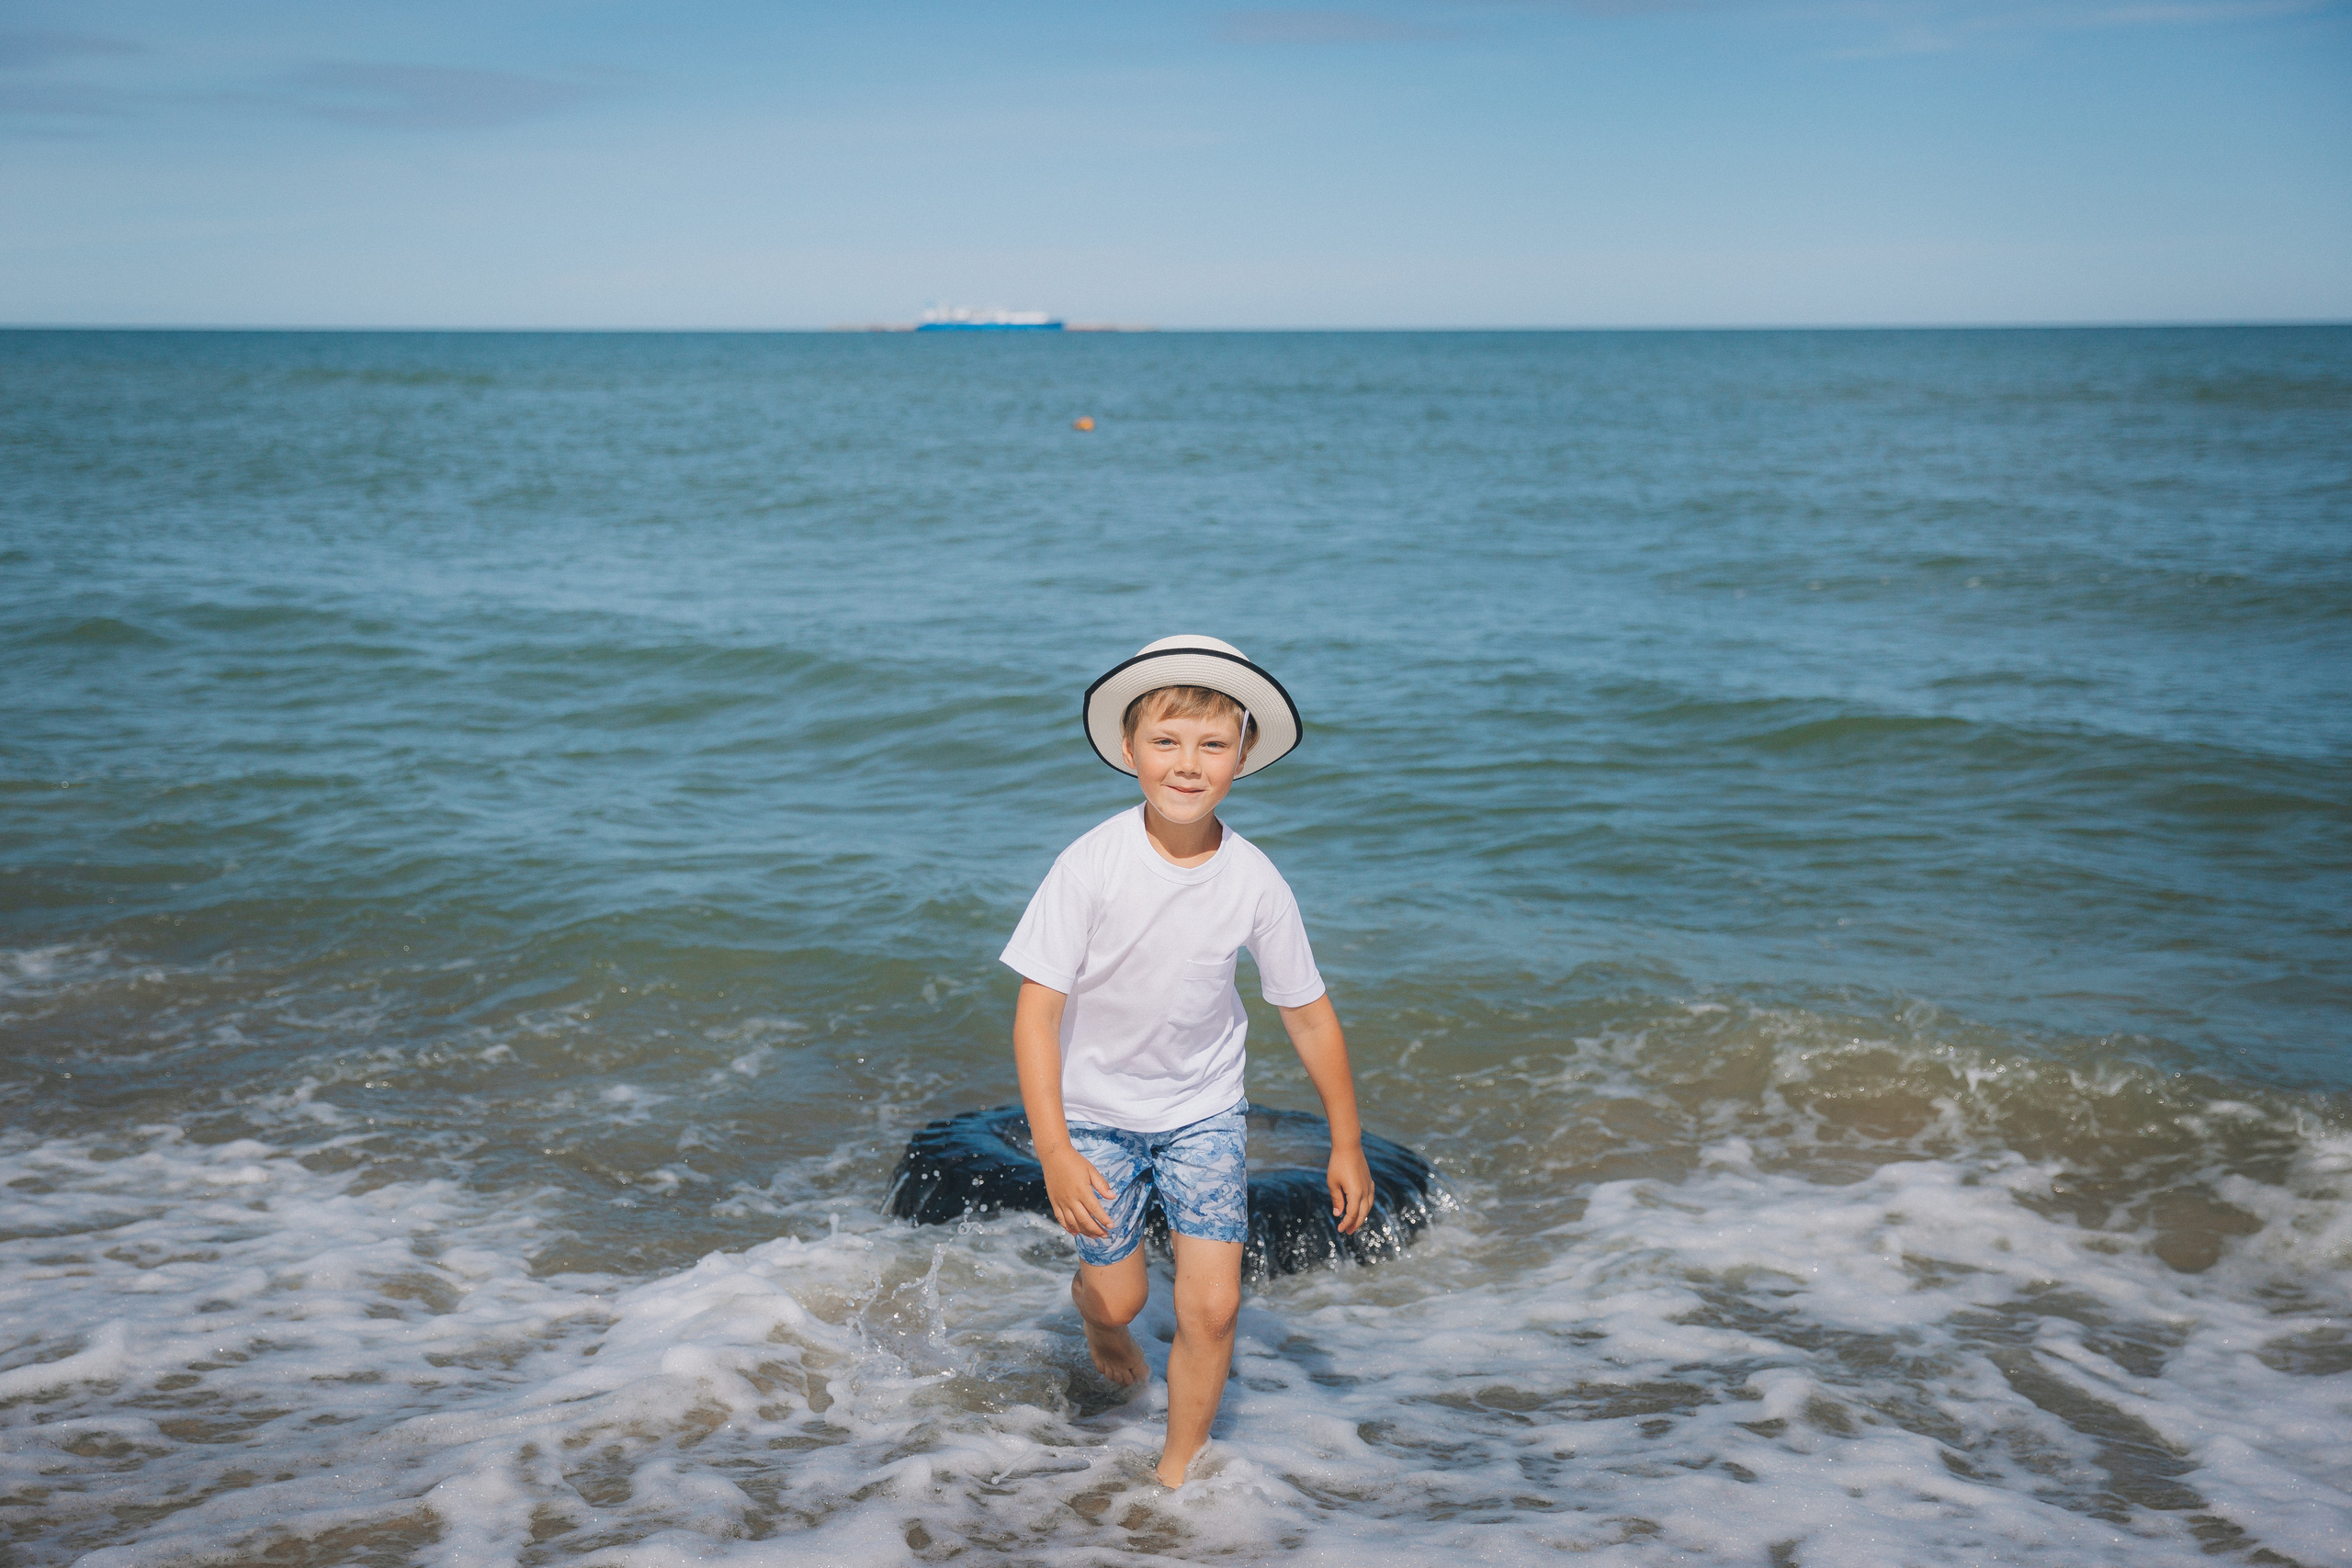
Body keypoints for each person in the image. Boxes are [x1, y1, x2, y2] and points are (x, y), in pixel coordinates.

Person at [1001, 635, 1374, 1490]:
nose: (1187, 763)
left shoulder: (1254, 879)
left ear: (1242, 754)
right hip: (1094, 1112)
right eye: (1166, 741)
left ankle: (1174, 1480)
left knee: (1212, 1307)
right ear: (1129, 749)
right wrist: (1054, 1148)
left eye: (1211, 743)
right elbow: (1037, 1014)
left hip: (1204, 1110)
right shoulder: (1089, 865)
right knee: (1123, 1297)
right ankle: (1098, 1320)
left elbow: (1309, 1015)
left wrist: (1345, 1140)